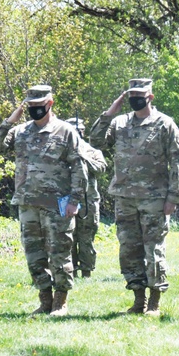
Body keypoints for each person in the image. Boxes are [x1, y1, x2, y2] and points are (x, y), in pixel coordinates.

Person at [89, 79, 179, 316]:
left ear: (150, 97)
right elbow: (95, 141)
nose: (135, 98)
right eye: (131, 94)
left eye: (139, 94)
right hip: (124, 198)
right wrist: (109, 112)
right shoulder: (119, 122)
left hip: (154, 198)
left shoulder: (165, 124)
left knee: (153, 249)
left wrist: (174, 196)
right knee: (128, 250)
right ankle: (138, 300)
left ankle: (154, 302)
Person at [0, 85, 86, 316]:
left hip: (57, 205)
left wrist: (75, 200)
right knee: (34, 255)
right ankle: (45, 301)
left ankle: (60, 302)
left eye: (38, 106)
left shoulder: (65, 131)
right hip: (27, 203)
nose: (34, 110)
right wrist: (9, 121)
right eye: (30, 106)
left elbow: (79, 167)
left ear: (49, 104)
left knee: (59, 253)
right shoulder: (20, 132)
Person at [64, 117, 107, 279]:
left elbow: (100, 168)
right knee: (68, 237)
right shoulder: (62, 151)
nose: (78, 134)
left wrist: (82, 157)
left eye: (80, 131)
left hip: (89, 201)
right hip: (67, 200)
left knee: (86, 237)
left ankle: (87, 271)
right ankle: (71, 270)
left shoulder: (93, 151)